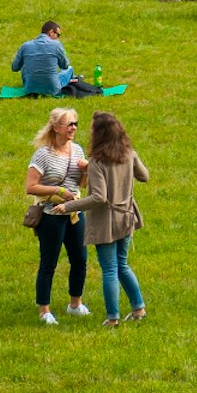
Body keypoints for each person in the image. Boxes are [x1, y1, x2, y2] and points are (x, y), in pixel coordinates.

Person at [52, 111, 147, 326]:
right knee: (122, 264)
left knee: (110, 269)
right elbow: (144, 176)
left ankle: (112, 318)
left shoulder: (98, 162)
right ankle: (138, 308)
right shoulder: (129, 154)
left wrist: (67, 206)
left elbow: (99, 198)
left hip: (107, 223)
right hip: (127, 217)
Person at [25, 108, 89, 325]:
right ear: (56, 128)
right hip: (51, 214)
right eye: (69, 124)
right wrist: (59, 192)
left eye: (75, 124)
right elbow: (30, 187)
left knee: (80, 260)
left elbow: (82, 184)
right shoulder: (43, 154)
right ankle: (44, 310)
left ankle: (75, 304)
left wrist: (86, 172)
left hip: (74, 213)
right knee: (49, 262)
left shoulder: (78, 151)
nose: (73, 128)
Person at [11, 20, 77, 97]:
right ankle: (73, 80)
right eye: (58, 35)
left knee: (25, 65)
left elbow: (14, 68)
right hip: (53, 89)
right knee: (69, 69)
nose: (58, 38)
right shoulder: (56, 45)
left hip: (29, 89)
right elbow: (65, 66)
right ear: (51, 32)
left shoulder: (25, 46)